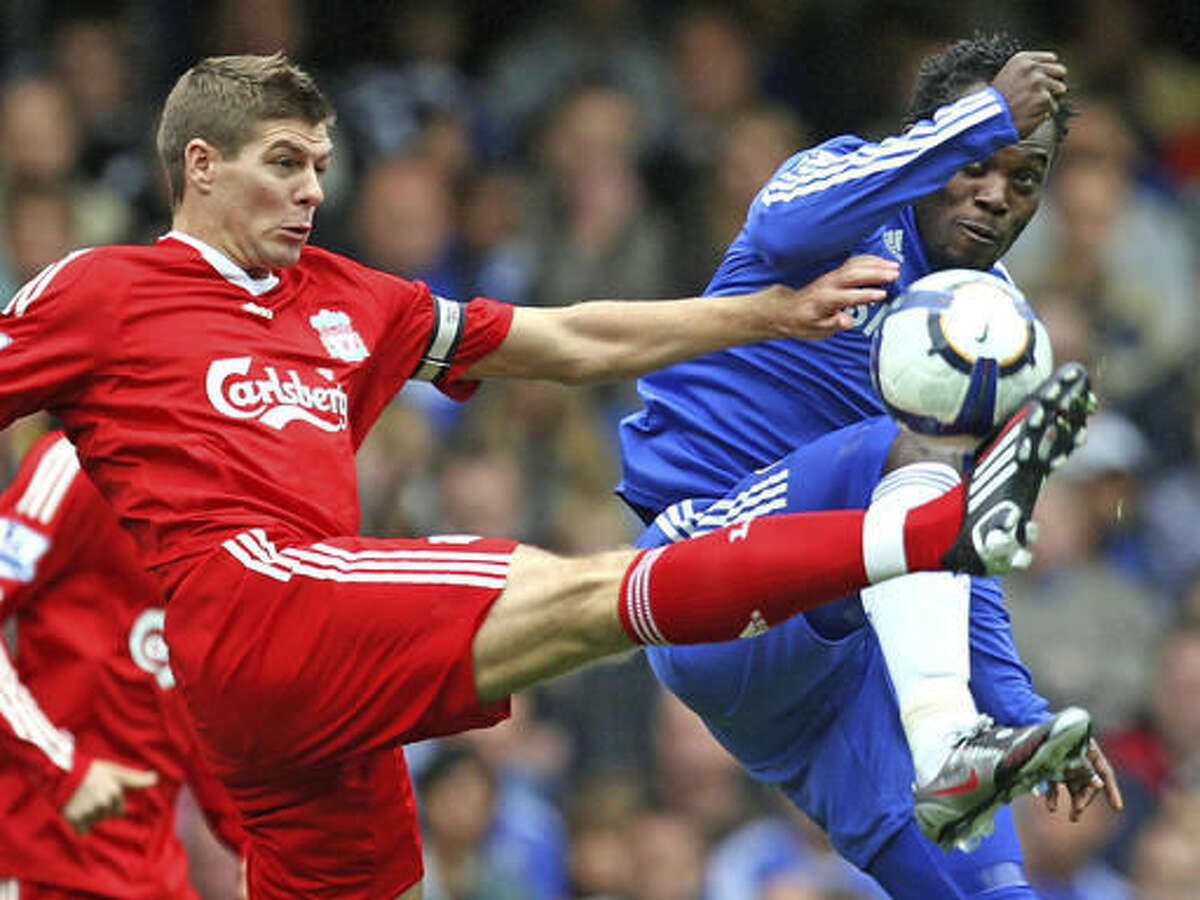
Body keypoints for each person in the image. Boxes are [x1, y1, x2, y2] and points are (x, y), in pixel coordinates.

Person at [0, 53, 1087, 898]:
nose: (311, 193)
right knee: (572, 589)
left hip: (297, 695)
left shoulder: (346, 297)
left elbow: (567, 341)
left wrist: (755, 315)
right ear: (200, 166)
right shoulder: (103, 290)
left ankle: (932, 566)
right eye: (285, 163)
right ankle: (927, 533)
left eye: (322, 168)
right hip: (256, 595)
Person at [617, 34, 1122, 899]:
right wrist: (983, 118)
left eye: (1024, 178)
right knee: (906, 450)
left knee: (996, 890)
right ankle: (946, 738)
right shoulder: (845, 192)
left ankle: (954, 740)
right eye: (977, 163)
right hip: (701, 572)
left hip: (838, 674)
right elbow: (781, 223)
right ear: (936, 142)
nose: (995, 195)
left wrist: (1026, 717)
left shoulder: (998, 329)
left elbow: (962, 548)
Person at [0, 428, 244, 897]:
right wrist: (62, 768)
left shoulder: (222, 493)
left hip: (155, 876)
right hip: (49, 865)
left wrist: (252, 844)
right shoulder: (73, 466)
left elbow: (202, 693)